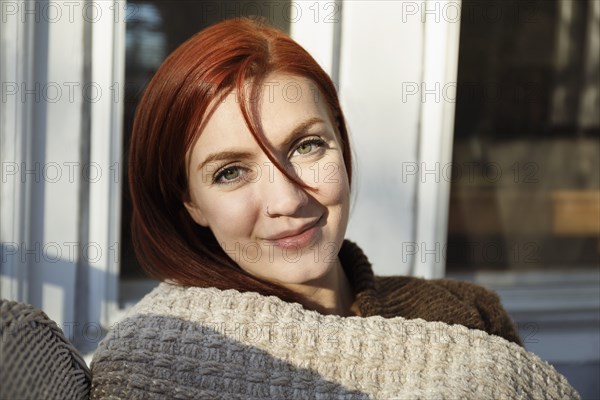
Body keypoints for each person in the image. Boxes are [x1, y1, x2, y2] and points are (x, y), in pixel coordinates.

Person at [91, 18, 578, 399]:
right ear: (190, 203)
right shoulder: (157, 358)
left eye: (305, 146)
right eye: (230, 172)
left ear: (342, 145)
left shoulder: (468, 314)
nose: (287, 199)